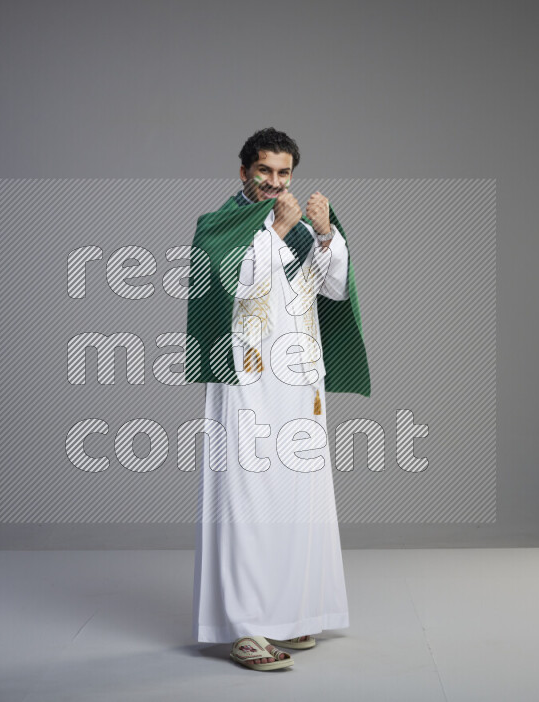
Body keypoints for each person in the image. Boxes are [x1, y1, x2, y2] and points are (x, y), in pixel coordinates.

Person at [187, 128, 370, 671]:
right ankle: (246, 628)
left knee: (298, 500)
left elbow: (334, 287)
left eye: (284, 173)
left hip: (297, 383)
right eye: (264, 171)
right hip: (246, 380)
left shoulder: (299, 226)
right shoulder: (216, 227)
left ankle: (289, 617)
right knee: (247, 501)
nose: (275, 182)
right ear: (243, 172)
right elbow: (229, 286)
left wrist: (323, 234)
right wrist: (281, 229)